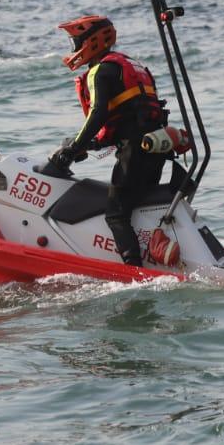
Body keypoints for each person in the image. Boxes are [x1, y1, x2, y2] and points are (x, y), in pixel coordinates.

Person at [36, 15, 172, 266]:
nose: (74, 49)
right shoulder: (130, 65)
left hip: (135, 151)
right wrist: (91, 144)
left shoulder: (99, 71)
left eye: (76, 42)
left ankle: (134, 269)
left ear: (92, 42)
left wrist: (72, 149)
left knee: (116, 213)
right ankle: (156, 259)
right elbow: (129, 116)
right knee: (138, 207)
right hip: (153, 146)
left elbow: (99, 114)